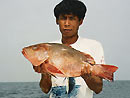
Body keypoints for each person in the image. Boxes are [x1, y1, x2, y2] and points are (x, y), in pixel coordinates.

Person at [33, 0, 105, 98]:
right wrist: (45, 73)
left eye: (71, 18)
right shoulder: (49, 48)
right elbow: (45, 89)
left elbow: (98, 89)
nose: (67, 23)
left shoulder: (93, 46)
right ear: (57, 21)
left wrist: (87, 76)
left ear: (80, 21)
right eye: (63, 18)